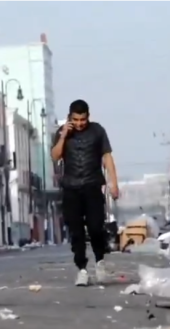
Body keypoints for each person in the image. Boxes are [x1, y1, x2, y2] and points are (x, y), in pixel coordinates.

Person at [51, 99, 119, 286]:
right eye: (76, 119)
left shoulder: (98, 131)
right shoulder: (62, 133)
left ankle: (100, 261)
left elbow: (107, 157)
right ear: (70, 117)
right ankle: (82, 269)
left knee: (96, 227)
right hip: (71, 189)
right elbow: (55, 156)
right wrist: (64, 135)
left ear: (88, 117)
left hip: (92, 186)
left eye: (83, 119)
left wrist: (114, 183)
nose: (80, 123)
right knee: (76, 232)